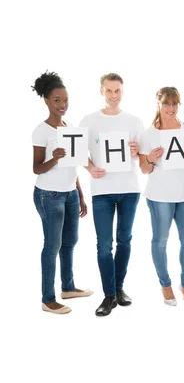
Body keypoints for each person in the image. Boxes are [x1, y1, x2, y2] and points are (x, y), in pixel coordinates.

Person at [80, 73, 144, 316]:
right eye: (109, 91)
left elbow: (144, 159)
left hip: (129, 189)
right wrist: (89, 167)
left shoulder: (134, 121)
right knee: (104, 245)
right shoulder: (89, 120)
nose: (113, 96)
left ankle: (119, 289)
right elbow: (76, 150)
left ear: (122, 92)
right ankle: (108, 296)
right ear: (101, 91)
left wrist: (138, 152)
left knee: (125, 240)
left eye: (117, 91)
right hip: (102, 191)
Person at [31, 71, 93, 314]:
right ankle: (48, 299)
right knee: (52, 246)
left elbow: (74, 164)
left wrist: (80, 193)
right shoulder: (41, 131)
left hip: (69, 194)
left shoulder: (70, 127)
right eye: (57, 100)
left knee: (70, 243)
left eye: (65, 100)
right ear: (46, 100)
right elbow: (36, 168)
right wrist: (54, 159)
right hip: (49, 195)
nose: (62, 105)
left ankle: (68, 287)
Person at [139, 87, 184, 306]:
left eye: (175, 104)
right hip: (159, 195)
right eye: (167, 103)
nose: (171, 108)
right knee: (160, 240)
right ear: (159, 104)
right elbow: (144, 169)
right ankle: (165, 284)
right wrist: (148, 158)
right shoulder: (149, 133)